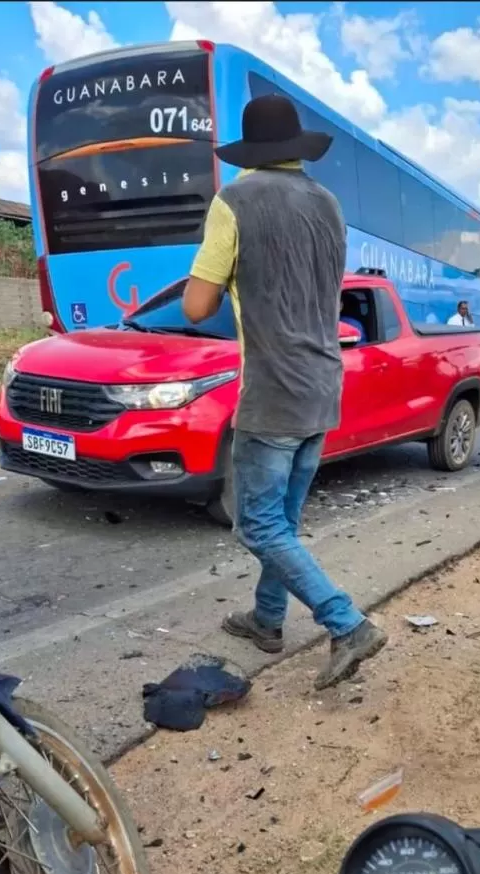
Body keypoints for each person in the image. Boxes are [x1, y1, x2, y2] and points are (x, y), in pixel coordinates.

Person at [182, 93, 387, 687]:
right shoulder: (328, 204)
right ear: (294, 149)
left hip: (273, 389)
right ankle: (267, 620)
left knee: (259, 526)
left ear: (250, 151)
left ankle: (347, 624)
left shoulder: (235, 200)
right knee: (283, 522)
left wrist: (225, 281)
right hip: (324, 383)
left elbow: (197, 306)